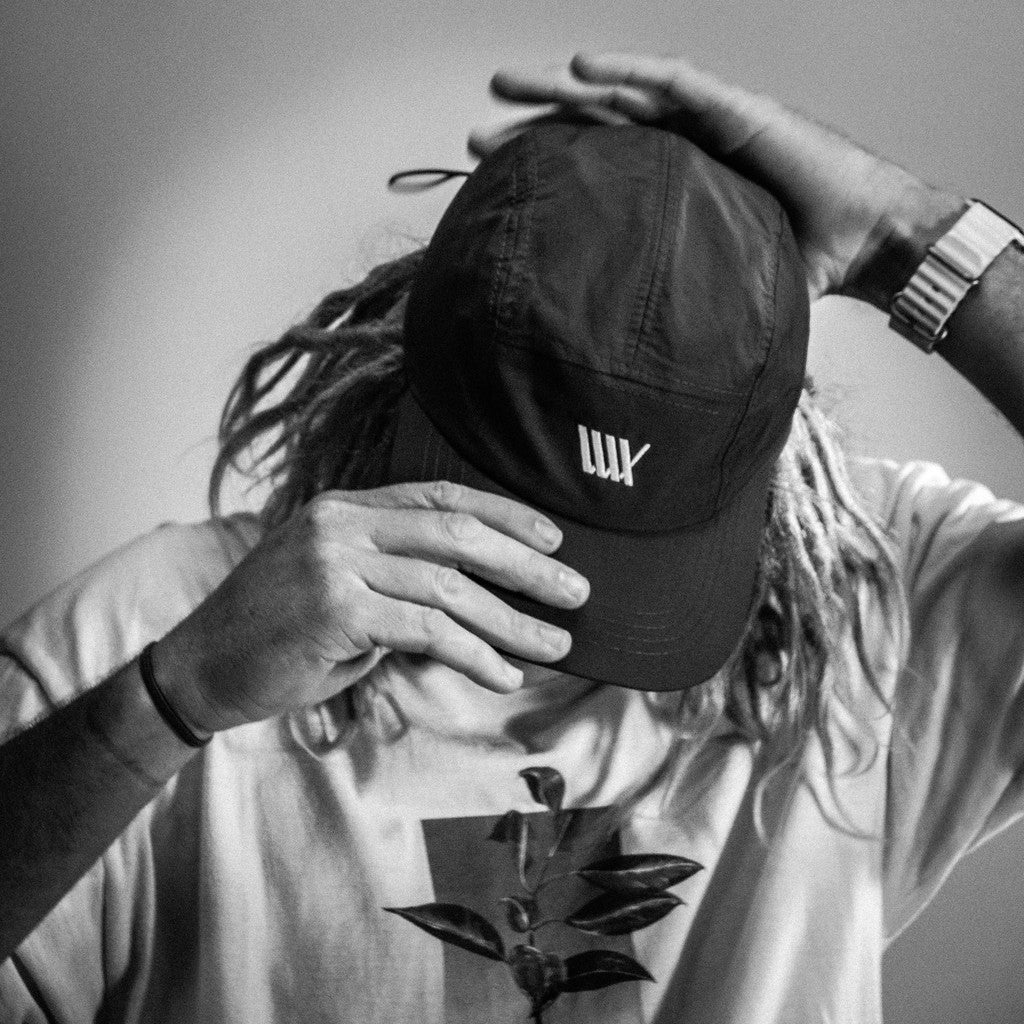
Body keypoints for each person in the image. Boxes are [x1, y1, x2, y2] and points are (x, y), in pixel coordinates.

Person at [0, 51, 1021, 1024]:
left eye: (643, 523)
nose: (556, 593)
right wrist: (167, 703)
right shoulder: (152, 636)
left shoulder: (876, 610)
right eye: (523, 500)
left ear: (769, 436)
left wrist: (908, 232)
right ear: (410, 356)